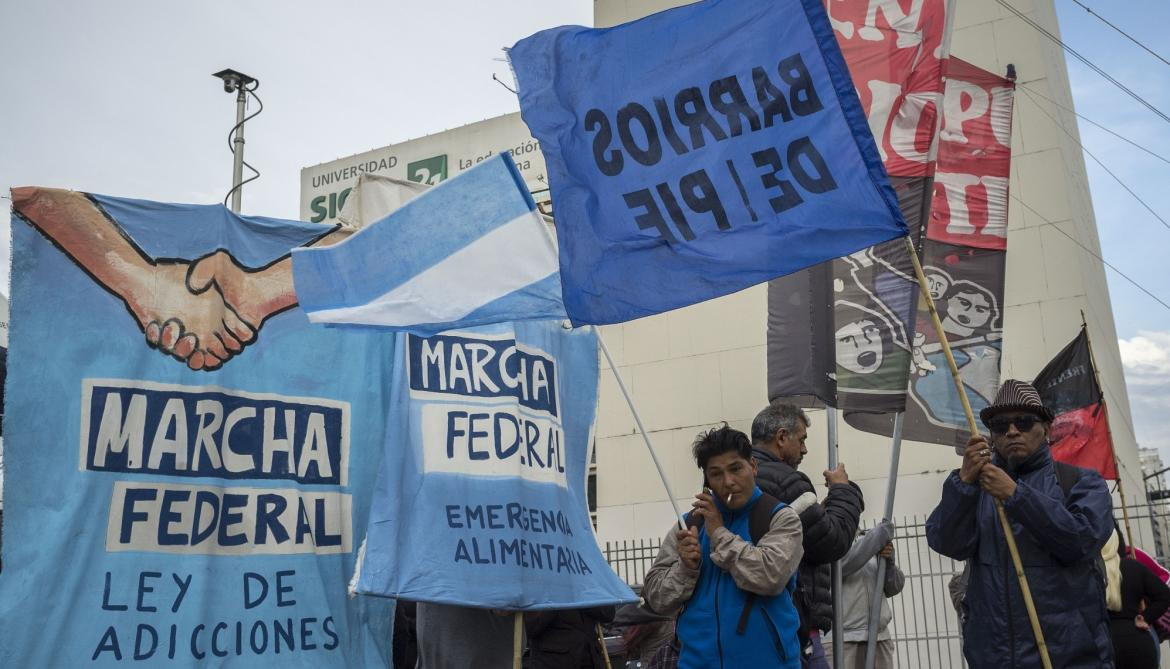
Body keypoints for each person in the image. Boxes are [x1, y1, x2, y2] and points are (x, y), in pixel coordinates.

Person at [926, 379, 1115, 668]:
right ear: (992, 436)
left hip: (1069, 658)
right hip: (995, 659)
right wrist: (963, 484)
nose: (1012, 431)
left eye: (1024, 422)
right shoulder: (976, 487)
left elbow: (1081, 540)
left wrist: (1017, 496)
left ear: (1047, 429)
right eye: (1001, 426)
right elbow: (946, 542)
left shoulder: (1081, 482)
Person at [643, 424, 804, 668]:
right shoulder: (689, 525)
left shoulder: (779, 518)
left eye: (736, 468)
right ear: (706, 480)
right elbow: (656, 598)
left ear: (753, 466)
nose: (728, 482)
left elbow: (769, 577)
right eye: (716, 474)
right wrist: (685, 568)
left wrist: (719, 533)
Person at [750, 402, 865, 667]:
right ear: (781, 437)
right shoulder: (787, 481)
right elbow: (831, 542)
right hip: (794, 620)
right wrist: (843, 490)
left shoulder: (745, 479)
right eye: (801, 440)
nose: (804, 449)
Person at [822, 520, 904, 668]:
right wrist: (875, 539)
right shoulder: (825, 543)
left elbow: (894, 587)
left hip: (879, 636)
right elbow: (842, 565)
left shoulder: (867, 542)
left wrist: (889, 562)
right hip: (841, 640)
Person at [1110, 533, 1170, 669]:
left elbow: (1166, 578)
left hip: (1139, 621)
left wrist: (1147, 607)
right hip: (1136, 633)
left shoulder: (1134, 554)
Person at [524, 606, 615, 668]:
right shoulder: (537, 583)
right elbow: (530, 627)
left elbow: (608, 614)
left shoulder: (588, 582)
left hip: (590, 659)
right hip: (554, 661)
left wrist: (582, 594)